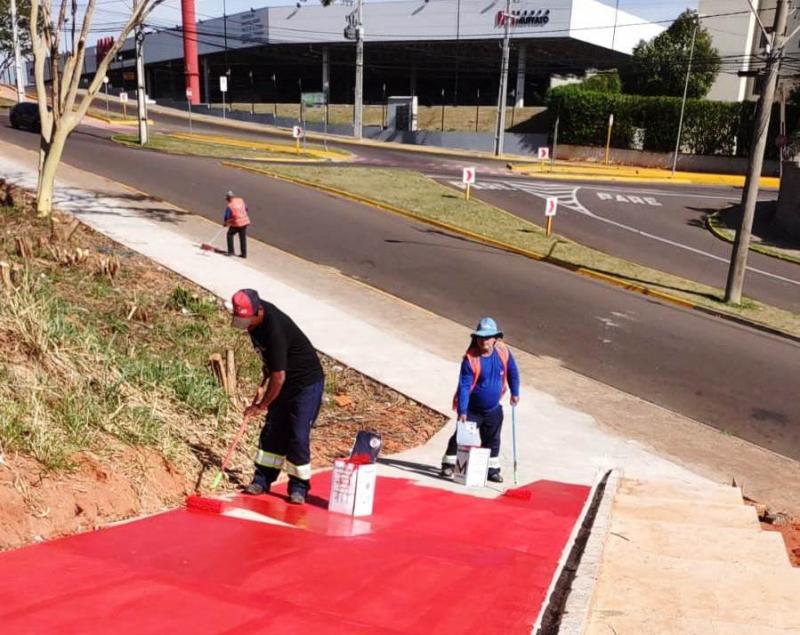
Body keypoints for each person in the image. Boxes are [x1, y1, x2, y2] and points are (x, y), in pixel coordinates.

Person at [230, 289, 325, 505]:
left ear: (259, 311)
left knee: (298, 435)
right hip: (283, 381)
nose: (246, 326)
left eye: (248, 320)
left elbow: (279, 377)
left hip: (305, 385)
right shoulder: (253, 324)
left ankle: (299, 487)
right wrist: (268, 368)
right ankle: (261, 480)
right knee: (273, 431)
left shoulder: (274, 327)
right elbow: (273, 361)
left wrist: (261, 406)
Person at [441, 317, 520, 483]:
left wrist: (515, 392)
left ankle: (492, 470)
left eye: (487, 337)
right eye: (480, 337)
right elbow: (464, 386)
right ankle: (448, 464)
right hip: (472, 410)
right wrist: (462, 410)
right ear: (475, 338)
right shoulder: (470, 359)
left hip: (493, 409)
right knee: (461, 438)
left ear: (495, 338)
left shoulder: (503, 351)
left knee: (493, 439)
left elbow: (512, 371)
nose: (483, 340)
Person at [223, 190, 250, 258]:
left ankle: (231, 251)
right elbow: (246, 209)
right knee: (242, 238)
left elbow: (227, 216)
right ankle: (244, 254)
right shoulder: (240, 200)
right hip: (245, 221)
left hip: (237, 223)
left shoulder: (230, 206)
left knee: (229, 234)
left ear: (228, 198)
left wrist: (225, 223)